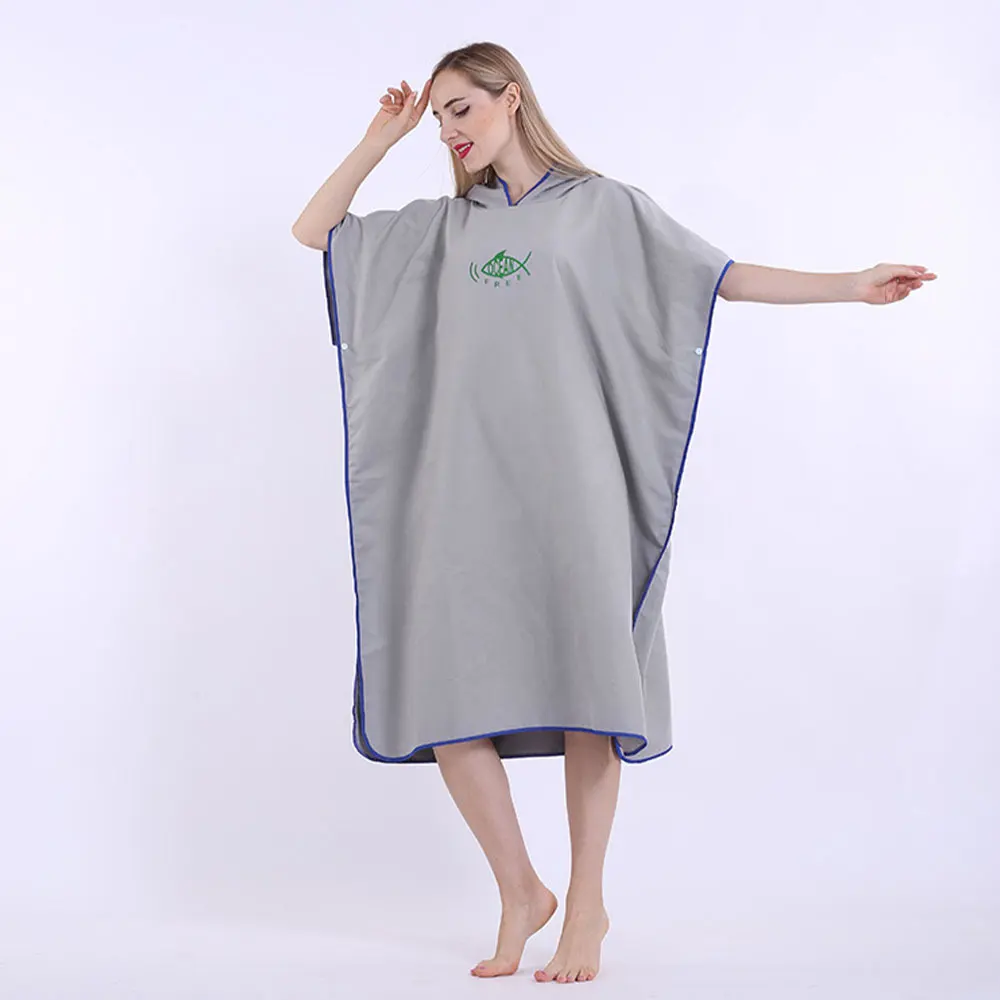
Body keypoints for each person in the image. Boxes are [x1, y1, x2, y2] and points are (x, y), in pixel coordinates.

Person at [292, 41, 937, 986]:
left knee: (588, 686)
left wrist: (849, 283)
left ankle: (586, 905)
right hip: (462, 493)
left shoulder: (606, 209)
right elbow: (316, 231)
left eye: (461, 110)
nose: (449, 132)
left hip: (577, 489)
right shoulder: (440, 228)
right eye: (438, 119)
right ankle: (522, 890)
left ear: (512, 99)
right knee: (442, 693)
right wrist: (380, 138)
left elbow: (716, 276)